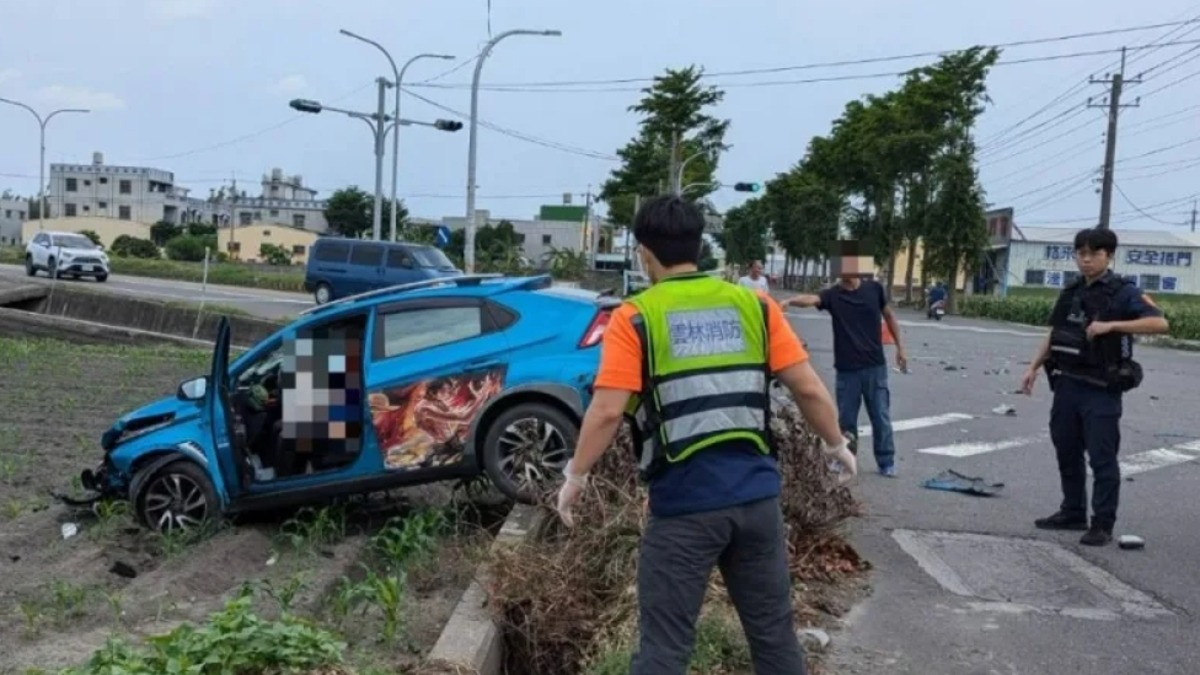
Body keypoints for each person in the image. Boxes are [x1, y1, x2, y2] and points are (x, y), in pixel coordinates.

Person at [554, 195, 855, 675]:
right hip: (758, 503)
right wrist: (836, 444)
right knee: (774, 638)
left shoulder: (637, 317)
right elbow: (809, 389)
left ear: (643, 253)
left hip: (684, 510)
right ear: (700, 247)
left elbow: (607, 411)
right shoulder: (753, 304)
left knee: (664, 650)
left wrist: (576, 475)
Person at [1018, 227, 1168, 546]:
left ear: (1108, 256)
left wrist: (1113, 325)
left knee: (1102, 457)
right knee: (1067, 450)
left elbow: (1159, 322)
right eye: (1080, 254)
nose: (1085, 260)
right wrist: (1032, 367)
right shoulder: (1071, 290)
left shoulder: (1123, 291)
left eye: (1093, 254)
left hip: (1102, 387)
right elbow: (1055, 332)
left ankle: (1102, 523)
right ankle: (1072, 512)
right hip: (1068, 384)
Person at [784, 267, 907, 476]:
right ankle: (847, 459)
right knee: (847, 420)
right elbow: (812, 299)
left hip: (874, 367)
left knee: (881, 416)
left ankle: (886, 461)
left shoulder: (874, 289)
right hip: (847, 370)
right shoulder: (833, 295)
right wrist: (789, 301)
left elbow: (889, 317)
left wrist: (900, 347)